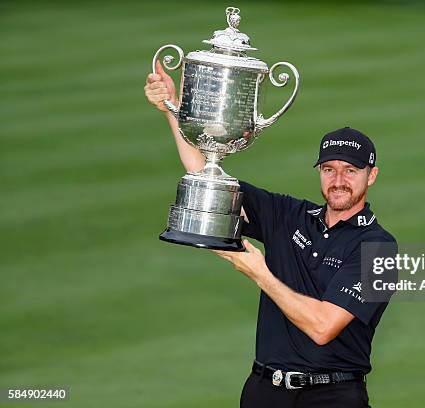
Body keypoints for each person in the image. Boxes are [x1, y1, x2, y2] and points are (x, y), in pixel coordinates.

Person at [145, 63, 397, 408]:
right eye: (329, 169)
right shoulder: (288, 215)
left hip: (332, 397)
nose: (338, 181)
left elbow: (324, 326)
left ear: (371, 176)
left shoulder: (380, 248)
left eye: (350, 171)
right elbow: (207, 176)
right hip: (265, 391)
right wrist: (174, 111)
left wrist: (261, 274)